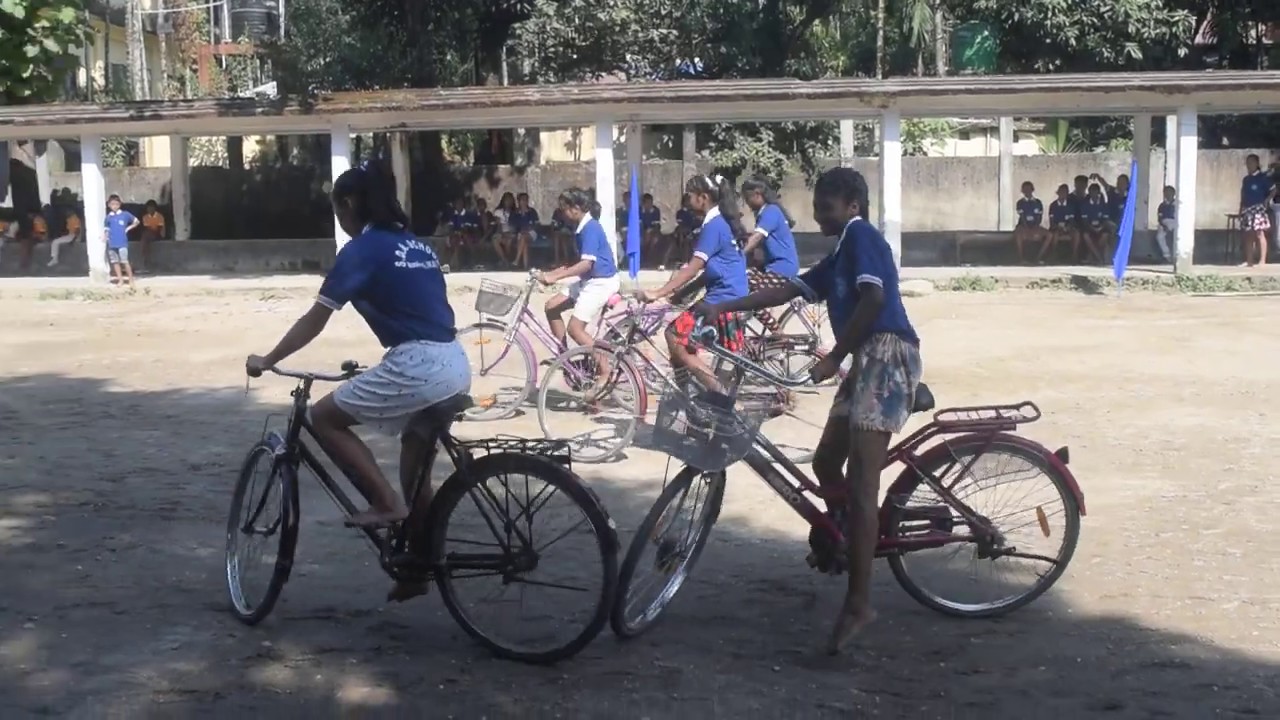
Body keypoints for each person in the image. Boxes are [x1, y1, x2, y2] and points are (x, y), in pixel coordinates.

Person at [691, 166, 920, 655]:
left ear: (853, 206)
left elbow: (874, 296)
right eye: (817, 206)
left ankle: (860, 601)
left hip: (886, 355)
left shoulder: (861, 239)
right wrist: (724, 307)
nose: (818, 215)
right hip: (865, 359)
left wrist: (836, 357)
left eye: (827, 207)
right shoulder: (839, 253)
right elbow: (787, 289)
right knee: (823, 461)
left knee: (862, 487)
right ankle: (843, 539)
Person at [245, 162, 469, 602]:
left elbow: (316, 319)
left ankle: (385, 504)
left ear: (348, 205)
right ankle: (417, 567)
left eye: (338, 210)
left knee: (323, 418)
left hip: (417, 363)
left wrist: (268, 359)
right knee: (415, 459)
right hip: (453, 360)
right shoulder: (414, 244)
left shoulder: (362, 250)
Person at [636, 173, 749, 392]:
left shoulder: (714, 225)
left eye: (691, 196)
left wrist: (658, 292)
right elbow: (711, 271)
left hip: (723, 300)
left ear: (703, 197)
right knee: (687, 341)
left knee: (674, 336)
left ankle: (718, 395)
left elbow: (694, 266)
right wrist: (681, 293)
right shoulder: (723, 221)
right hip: (732, 295)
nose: (688, 201)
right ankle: (689, 395)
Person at [538, 188, 620, 351]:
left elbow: (586, 264)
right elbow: (578, 262)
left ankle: (605, 368)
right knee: (551, 306)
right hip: (589, 280)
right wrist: (552, 273)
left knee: (575, 329)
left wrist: (556, 277)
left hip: (601, 282)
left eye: (564, 209)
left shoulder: (590, 228)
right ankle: (564, 356)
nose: (562, 213)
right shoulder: (582, 227)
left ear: (575, 208)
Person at [739, 176, 799, 333]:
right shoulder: (763, 213)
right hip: (770, 266)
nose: (746, 203)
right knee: (739, 282)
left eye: (747, 198)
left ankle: (779, 335)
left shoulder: (771, 211)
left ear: (758, 194)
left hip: (782, 268)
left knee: (754, 302)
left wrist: (737, 255)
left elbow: (757, 237)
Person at [1239, 154, 1274, 267]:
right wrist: (1241, 209)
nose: (1249, 165)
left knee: (1260, 233)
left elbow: (1273, 190)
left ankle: (1262, 261)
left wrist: (1266, 201)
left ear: (1257, 163)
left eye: (1251, 162)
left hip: (1258, 209)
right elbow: (1243, 195)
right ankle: (1249, 261)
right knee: (1248, 235)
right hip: (1247, 209)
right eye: (1247, 163)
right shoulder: (1246, 179)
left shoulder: (1263, 178)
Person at [103, 195, 139, 287]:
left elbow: (136, 221)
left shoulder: (125, 214)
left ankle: (131, 280)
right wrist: (105, 236)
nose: (114, 206)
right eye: (112, 204)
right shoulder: (108, 217)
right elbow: (107, 229)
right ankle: (120, 280)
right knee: (115, 262)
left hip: (122, 242)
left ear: (120, 204)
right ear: (109, 205)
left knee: (124, 261)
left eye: (116, 204)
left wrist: (128, 228)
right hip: (112, 243)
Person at [1013, 181, 1047, 264]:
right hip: (1023, 226)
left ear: (1032, 190)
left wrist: (1035, 227)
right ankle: (1021, 258)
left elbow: (1039, 217)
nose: (1027, 191)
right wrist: (1028, 229)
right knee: (1018, 234)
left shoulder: (1038, 202)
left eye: (1029, 189)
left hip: (1035, 226)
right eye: (1025, 189)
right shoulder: (1020, 203)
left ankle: (1039, 257)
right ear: (1022, 191)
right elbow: (1022, 217)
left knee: (1049, 235)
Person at [1044, 184, 1078, 263]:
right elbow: (1052, 221)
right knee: (1055, 235)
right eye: (1061, 192)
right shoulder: (1053, 205)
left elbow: (1071, 220)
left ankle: (1074, 256)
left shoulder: (1070, 205)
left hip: (1068, 228)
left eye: (1065, 192)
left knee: (1076, 234)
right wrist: (1059, 228)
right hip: (1056, 228)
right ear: (1058, 193)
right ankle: (1053, 254)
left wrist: (1067, 228)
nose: (1062, 194)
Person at [1078, 183, 1110, 264]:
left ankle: (1093, 256)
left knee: (1105, 234)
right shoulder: (1085, 205)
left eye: (1096, 192)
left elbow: (1106, 220)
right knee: (1086, 235)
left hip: (1101, 227)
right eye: (1092, 192)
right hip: (1089, 228)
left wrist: (1100, 227)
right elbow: (1085, 221)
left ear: (1099, 192)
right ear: (1089, 193)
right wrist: (1093, 228)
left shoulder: (1104, 205)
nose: (1094, 194)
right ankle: (1099, 258)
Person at [511, 192, 540, 270]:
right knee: (524, 243)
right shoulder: (515, 212)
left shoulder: (532, 211)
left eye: (526, 200)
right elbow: (513, 225)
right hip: (520, 233)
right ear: (519, 201)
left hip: (531, 233)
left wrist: (529, 229)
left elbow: (537, 224)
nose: (524, 202)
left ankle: (516, 260)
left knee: (524, 238)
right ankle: (526, 266)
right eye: (522, 200)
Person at [490, 192, 517, 266]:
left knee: (509, 241)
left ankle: (507, 260)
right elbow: (498, 226)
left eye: (510, 200)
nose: (508, 202)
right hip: (501, 232)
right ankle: (504, 260)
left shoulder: (515, 212)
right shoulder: (498, 211)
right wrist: (503, 234)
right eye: (507, 200)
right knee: (495, 239)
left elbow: (515, 227)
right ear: (503, 201)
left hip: (512, 233)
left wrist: (510, 233)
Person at [140, 200, 166, 270]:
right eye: (148, 208)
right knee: (145, 237)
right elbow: (147, 227)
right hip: (149, 233)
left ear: (155, 208)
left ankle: (145, 257)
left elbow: (160, 228)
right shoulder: (145, 217)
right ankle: (145, 256)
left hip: (158, 233)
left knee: (146, 236)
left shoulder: (159, 216)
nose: (150, 209)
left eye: (152, 208)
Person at [1155, 186, 1177, 264]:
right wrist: (1164, 226)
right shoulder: (1162, 206)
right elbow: (1159, 218)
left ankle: (1176, 255)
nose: (1167, 195)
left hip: (1175, 223)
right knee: (1159, 236)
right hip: (1164, 224)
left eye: (1169, 192)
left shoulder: (1177, 205)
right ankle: (1167, 256)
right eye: (1166, 193)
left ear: (1174, 194)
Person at [640, 193, 663, 262]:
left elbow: (657, 225)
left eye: (650, 202)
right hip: (641, 232)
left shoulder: (656, 211)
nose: (649, 205)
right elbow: (639, 224)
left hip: (653, 232)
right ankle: (643, 258)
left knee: (654, 239)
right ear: (643, 203)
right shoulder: (639, 210)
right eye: (647, 203)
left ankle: (650, 258)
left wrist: (650, 230)